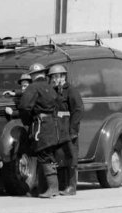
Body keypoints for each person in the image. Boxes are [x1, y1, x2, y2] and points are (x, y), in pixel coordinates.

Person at [19, 63, 66, 198]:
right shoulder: (50, 88)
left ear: (32, 75)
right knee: (48, 154)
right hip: (53, 125)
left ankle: (52, 188)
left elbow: (24, 107)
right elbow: (58, 104)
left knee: (43, 154)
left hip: (41, 125)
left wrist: (27, 122)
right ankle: (48, 187)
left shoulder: (33, 87)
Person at [51, 64, 84, 196]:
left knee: (71, 158)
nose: (54, 79)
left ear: (63, 76)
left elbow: (78, 110)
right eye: (52, 76)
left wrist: (73, 130)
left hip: (68, 128)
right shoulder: (53, 90)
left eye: (56, 76)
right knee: (59, 157)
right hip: (58, 129)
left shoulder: (71, 90)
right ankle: (62, 185)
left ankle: (72, 187)